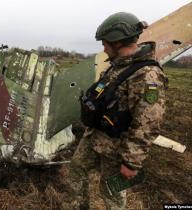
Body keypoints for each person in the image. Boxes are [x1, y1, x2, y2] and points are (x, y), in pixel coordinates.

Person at [62, 12, 167, 210]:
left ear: (118, 42)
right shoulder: (116, 67)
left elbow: (149, 123)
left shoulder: (147, 75)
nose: (103, 47)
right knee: (76, 171)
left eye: (105, 43)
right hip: (95, 137)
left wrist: (132, 162)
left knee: (112, 193)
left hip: (118, 148)